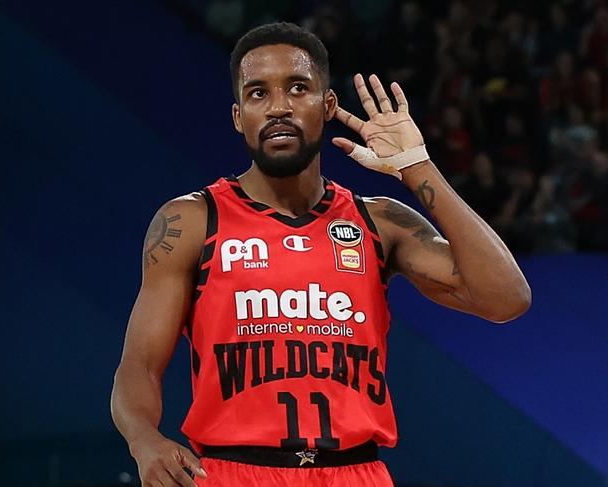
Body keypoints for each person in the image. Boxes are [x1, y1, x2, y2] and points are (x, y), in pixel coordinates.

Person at [110, 22, 531, 487]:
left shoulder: (380, 221)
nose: (278, 108)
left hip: (356, 472)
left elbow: (506, 298)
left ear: (327, 105)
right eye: (257, 94)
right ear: (237, 116)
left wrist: (417, 166)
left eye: (297, 88)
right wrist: (144, 440)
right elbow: (139, 366)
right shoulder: (192, 220)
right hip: (231, 472)